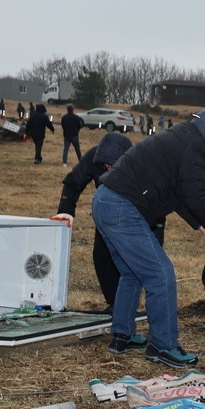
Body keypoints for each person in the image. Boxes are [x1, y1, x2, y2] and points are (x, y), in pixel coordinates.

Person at [95, 109, 205, 369]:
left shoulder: (179, 138)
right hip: (123, 206)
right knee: (161, 274)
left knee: (132, 272)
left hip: (106, 201)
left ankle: (122, 334)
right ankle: (163, 345)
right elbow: (193, 193)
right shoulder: (193, 146)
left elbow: (179, 196)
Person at [54, 132, 133, 311]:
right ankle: (114, 302)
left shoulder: (137, 160)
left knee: (130, 259)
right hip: (106, 214)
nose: (107, 167)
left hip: (133, 215)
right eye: (104, 165)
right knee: (101, 256)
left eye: (111, 165)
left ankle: (128, 299)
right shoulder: (93, 157)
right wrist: (66, 212)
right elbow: (73, 182)